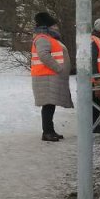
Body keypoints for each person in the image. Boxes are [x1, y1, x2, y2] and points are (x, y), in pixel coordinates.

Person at [31, 12, 73, 142]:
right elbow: (43, 55)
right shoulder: (43, 38)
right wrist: (58, 68)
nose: (56, 27)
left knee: (50, 105)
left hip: (49, 76)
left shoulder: (48, 38)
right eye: (54, 25)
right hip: (46, 76)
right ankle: (47, 132)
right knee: (48, 105)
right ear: (48, 25)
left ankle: (50, 130)